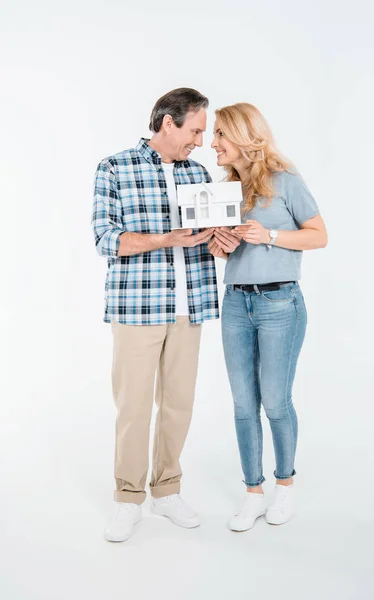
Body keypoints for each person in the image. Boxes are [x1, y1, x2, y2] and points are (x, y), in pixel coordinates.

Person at [92, 88, 218, 542]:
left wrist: (221, 239)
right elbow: (106, 239)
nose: (200, 141)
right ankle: (128, 499)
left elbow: (205, 237)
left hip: (191, 305)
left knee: (179, 404)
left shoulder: (199, 172)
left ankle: (167, 490)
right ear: (169, 123)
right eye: (195, 130)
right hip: (137, 307)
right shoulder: (114, 167)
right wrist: (166, 239)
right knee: (134, 407)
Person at [208, 103, 328, 531]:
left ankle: (285, 485)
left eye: (220, 133)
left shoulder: (285, 180)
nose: (212, 142)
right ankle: (252, 492)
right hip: (236, 304)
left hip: (280, 304)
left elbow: (319, 235)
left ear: (242, 135)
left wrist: (270, 235)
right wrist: (220, 246)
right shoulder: (224, 190)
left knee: (275, 401)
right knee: (243, 405)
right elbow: (226, 250)